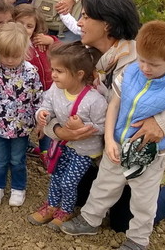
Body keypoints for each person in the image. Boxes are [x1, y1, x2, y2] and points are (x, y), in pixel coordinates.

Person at [54, 0, 165, 235]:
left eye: (87, 16)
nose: (79, 22)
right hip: (100, 150)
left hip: (134, 151)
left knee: (124, 220)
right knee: (83, 195)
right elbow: (56, 100)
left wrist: (162, 121)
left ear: (107, 25)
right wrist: (59, 130)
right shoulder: (79, 56)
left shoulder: (139, 60)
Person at [28, 42, 106, 229]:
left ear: (79, 74)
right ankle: (52, 205)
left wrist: (84, 126)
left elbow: (104, 126)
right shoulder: (56, 89)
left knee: (69, 181)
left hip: (85, 150)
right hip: (62, 145)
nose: (53, 75)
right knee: (55, 175)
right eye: (53, 69)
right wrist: (42, 114)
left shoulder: (94, 100)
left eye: (59, 71)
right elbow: (45, 104)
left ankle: (66, 209)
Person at [0, 22, 42, 207]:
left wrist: (40, 121)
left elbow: (38, 98)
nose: (10, 60)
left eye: (15, 56)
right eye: (5, 55)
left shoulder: (30, 72)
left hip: (21, 127)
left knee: (18, 160)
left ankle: (18, 188)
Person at [13, 4, 59, 159]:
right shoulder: (15, 46)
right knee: (25, 121)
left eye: (29, 26)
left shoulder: (40, 43)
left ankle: (46, 151)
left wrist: (51, 40)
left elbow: (62, 50)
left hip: (47, 90)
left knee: (45, 119)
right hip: (26, 94)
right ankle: (24, 146)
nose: (25, 29)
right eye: (20, 24)